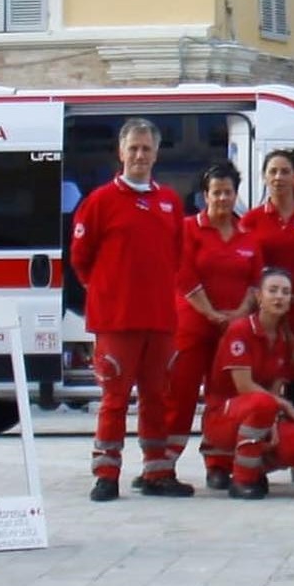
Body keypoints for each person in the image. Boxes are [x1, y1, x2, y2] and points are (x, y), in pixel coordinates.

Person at [71, 118, 189, 502]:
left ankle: (158, 472)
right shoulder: (99, 202)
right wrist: (111, 292)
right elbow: (81, 259)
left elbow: (175, 256)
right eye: (133, 148)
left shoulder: (170, 202)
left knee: (158, 397)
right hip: (117, 322)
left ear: (156, 153)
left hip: (159, 320)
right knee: (114, 400)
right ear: (121, 153)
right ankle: (106, 473)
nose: (140, 155)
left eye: (146, 149)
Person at [161, 162, 265, 490]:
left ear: (236, 195)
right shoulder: (188, 229)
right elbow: (183, 275)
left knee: (224, 399)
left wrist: (238, 314)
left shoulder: (248, 235)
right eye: (216, 192)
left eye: (228, 192)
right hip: (192, 328)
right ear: (204, 195)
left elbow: (256, 280)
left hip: (232, 333)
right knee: (181, 396)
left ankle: (218, 463)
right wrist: (210, 312)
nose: (222, 198)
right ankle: (161, 466)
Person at [241, 149, 294, 484]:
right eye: (272, 171)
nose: (278, 177)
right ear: (264, 177)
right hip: (268, 323)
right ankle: (257, 456)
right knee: (270, 386)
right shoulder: (251, 220)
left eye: (285, 171)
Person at [202, 268, 294, 499]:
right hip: (222, 415)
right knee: (263, 403)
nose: (279, 296)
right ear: (259, 297)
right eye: (273, 290)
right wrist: (284, 405)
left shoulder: (285, 339)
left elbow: (274, 388)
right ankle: (242, 480)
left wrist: (274, 417)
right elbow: (244, 386)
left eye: (285, 292)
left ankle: (253, 467)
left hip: (260, 410)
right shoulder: (240, 329)